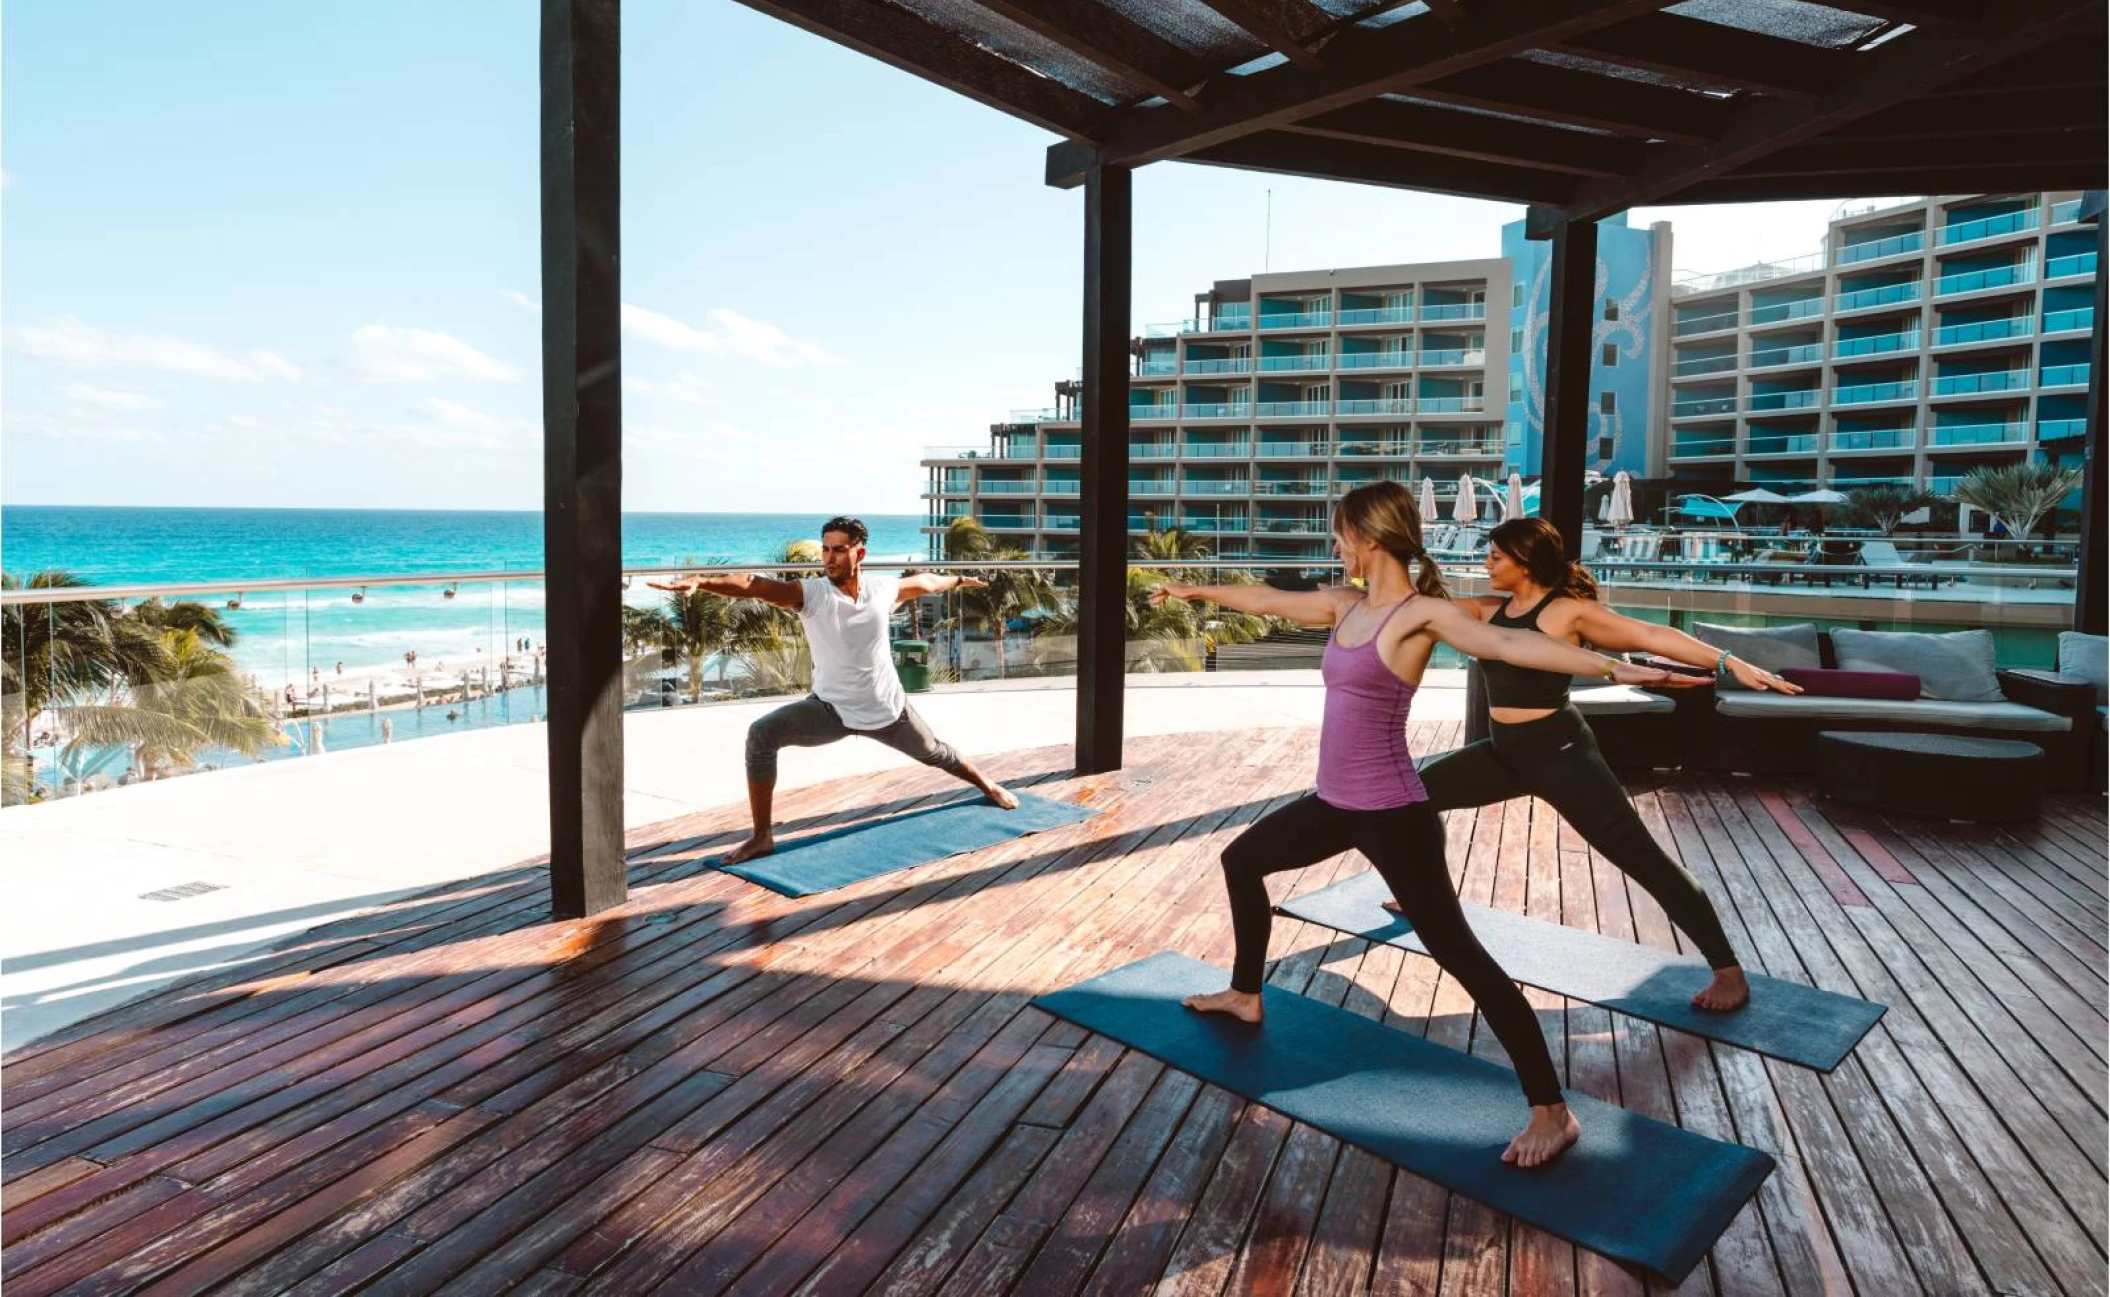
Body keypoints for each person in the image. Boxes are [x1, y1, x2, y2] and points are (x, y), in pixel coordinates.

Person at [1151, 482, 1711, 1167]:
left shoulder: (1423, 616)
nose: (1335, 547)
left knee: (1463, 957)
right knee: (1243, 861)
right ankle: (1244, 995)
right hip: (1335, 803)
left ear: (1369, 539)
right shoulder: (1344, 604)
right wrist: (1191, 593)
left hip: (1394, 815)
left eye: (1340, 535)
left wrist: (1623, 669)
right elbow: (1265, 599)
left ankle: (1552, 1112)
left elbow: (1516, 649)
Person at [1388, 518, 1801, 1012]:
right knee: (1413, 795)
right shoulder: (1488, 608)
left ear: (1525, 562)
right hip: (1505, 753)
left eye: (1496, 556)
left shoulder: (1566, 612)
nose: (1486, 563)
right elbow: (1410, 609)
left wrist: (1728, 661)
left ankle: (1728, 971)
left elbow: (1649, 633)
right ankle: (1428, 894)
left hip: (1561, 757)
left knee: (1643, 860)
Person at [647, 515, 1019, 866]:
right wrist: (703, 582)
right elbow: (755, 586)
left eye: (839, 549)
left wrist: (957, 581)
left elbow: (926, 582)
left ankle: (987, 785)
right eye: (825, 549)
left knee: (936, 752)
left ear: (860, 552)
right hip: (830, 711)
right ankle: (762, 836)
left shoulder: (883, 589)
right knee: (761, 735)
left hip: (887, 709)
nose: (829, 558)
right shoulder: (812, 595)